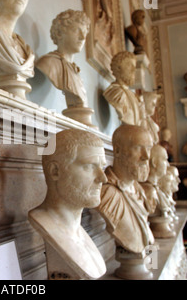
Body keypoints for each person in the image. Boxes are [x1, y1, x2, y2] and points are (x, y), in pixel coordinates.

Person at [29, 129, 107, 280]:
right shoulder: (45, 222)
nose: (103, 178)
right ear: (55, 171)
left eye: (102, 167)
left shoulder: (78, 232)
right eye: (89, 166)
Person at [97, 125, 155, 254]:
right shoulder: (107, 195)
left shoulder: (138, 189)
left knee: (153, 261)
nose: (146, 157)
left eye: (149, 149)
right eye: (138, 148)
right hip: (131, 258)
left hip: (143, 259)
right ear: (117, 150)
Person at [36, 10, 91, 109]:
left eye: (84, 33)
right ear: (59, 33)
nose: (82, 38)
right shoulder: (48, 63)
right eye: (76, 30)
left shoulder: (76, 72)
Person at [103, 51, 145, 126]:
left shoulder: (134, 96)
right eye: (129, 65)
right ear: (118, 67)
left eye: (134, 66)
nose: (133, 70)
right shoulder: (115, 92)